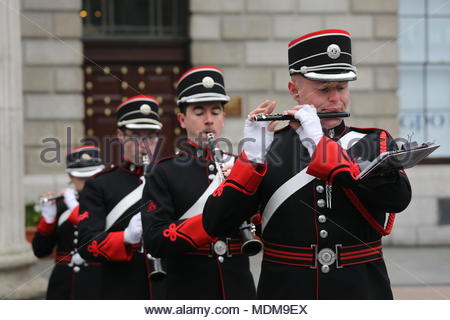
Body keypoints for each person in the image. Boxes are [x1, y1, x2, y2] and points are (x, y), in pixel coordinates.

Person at [202, 29, 412, 299]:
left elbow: (397, 199)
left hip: (361, 288)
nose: (335, 98)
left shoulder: (374, 142)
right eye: (324, 89)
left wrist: (318, 143)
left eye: (342, 88)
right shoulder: (270, 148)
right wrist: (251, 159)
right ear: (295, 91)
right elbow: (216, 222)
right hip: (287, 291)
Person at [141, 66, 264, 299]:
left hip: (238, 289)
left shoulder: (241, 166)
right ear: (182, 119)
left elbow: (263, 222)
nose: (209, 121)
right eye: (199, 112)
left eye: (216, 112)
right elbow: (155, 240)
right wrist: (212, 221)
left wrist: (244, 191)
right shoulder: (163, 172)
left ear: (223, 118)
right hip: (188, 292)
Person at [77, 95, 165, 299]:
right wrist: (124, 238)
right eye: (135, 135)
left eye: (151, 136)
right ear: (120, 135)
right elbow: (85, 246)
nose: (144, 144)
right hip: (121, 289)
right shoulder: (99, 185)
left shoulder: (171, 178)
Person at [32, 145, 104, 299]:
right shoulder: (61, 205)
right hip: (64, 286)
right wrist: (48, 219)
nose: (88, 183)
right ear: (70, 176)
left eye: (92, 177)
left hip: (99, 284)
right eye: (82, 178)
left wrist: (76, 208)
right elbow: (40, 251)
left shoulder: (108, 203)